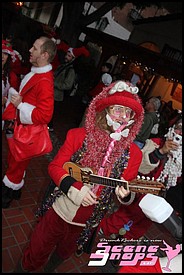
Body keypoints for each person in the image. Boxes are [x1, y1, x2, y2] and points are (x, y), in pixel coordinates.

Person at [14, 80, 145, 273]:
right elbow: (55, 167)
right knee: (36, 250)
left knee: (64, 253)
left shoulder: (134, 153)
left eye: (128, 113)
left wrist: (126, 195)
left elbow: (124, 193)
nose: (123, 117)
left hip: (88, 222)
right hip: (59, 210)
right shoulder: (78, 135)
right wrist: (76, 189)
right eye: (118, 109)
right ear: (106, 111)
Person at [99, 117, 182, 246]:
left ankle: (122, 245)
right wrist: (161, 152)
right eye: (179, 127)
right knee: (123, 217)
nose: (180, 133)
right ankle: (103, 234)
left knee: (141, 226)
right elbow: (141, 167)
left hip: (160, 201)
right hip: (140, 192)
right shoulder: (155, 143)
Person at [2, 36, 57, 209]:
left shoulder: (45, 81)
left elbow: (45, 115)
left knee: (15, 165)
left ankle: (6, 195)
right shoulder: (37, 73)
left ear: (45, 54)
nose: (30, 50)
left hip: (26, 134)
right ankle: (15, 190)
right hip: (23, 129)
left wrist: (20, 105)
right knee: (16, 163)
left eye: (34, 48)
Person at [48, 46, 90, 131]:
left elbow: (67, 85)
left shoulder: (71, 71)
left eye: (69, 56)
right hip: (52, 92)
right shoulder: (63, 66)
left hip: (57, 95)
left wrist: (54, 83)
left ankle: (49, 127)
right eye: (67, 55)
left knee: (50, 113)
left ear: (73, 58)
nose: (66, 57)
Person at [2, 39, 20, 130]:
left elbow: (15, 97)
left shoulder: (11, 76)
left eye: (5, 54)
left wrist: (6, 99)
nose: (2, 56)